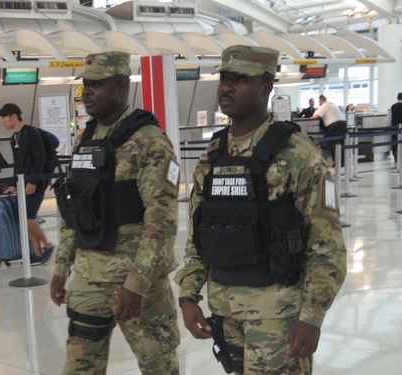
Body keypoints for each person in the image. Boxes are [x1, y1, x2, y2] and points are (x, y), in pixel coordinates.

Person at [174, 45, 347, 375]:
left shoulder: (298, 152)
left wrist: (311, 317)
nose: (226, 86)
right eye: (224, 77)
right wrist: (188, 295)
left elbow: (326, 247)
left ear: (267, 86)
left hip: (278, 316)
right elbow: (198, 233)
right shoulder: (213, 153)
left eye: (240, 79)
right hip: (225, 311)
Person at [50, 51, 181, 375]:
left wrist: (136, 284)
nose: (87, 92)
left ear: (121, 87)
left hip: (136, 281)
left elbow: (161, 221)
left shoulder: (149, 141)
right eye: (85, 84)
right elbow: (75, 208)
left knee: (158, 365)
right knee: (79, 366)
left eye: (97, 84)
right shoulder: (87, 137)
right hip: (89, 275)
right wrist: (62, 266)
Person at [0, 103, 54, 264]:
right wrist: (13, 183)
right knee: (25, 219)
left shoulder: (31, 133)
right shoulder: (14, 138)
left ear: (14, 116)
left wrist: (34, 181)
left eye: (4, 117)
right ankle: (36, 252)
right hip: (23, 182)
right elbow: (17, 163)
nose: (2, 121)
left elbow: (40, 158)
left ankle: (47, 246)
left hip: (37, 182)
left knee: (27, 219)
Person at [311, 95, 347, 165]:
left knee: (332, 144)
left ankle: (337, 163)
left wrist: (316, 111)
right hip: (344, 124)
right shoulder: (332, 104)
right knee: (341, 144)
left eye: (319, 101)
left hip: (335, 125)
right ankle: (342, 162)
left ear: (321, 100)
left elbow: (314, 116)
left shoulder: (324, 105)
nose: (319, 103)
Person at [386, 92, 402, 162]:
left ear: (397, 98)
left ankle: (395, 155)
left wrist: (386, 128)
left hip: (394, 128)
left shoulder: (393, 107)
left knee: (395, 142)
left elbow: (388, 119)